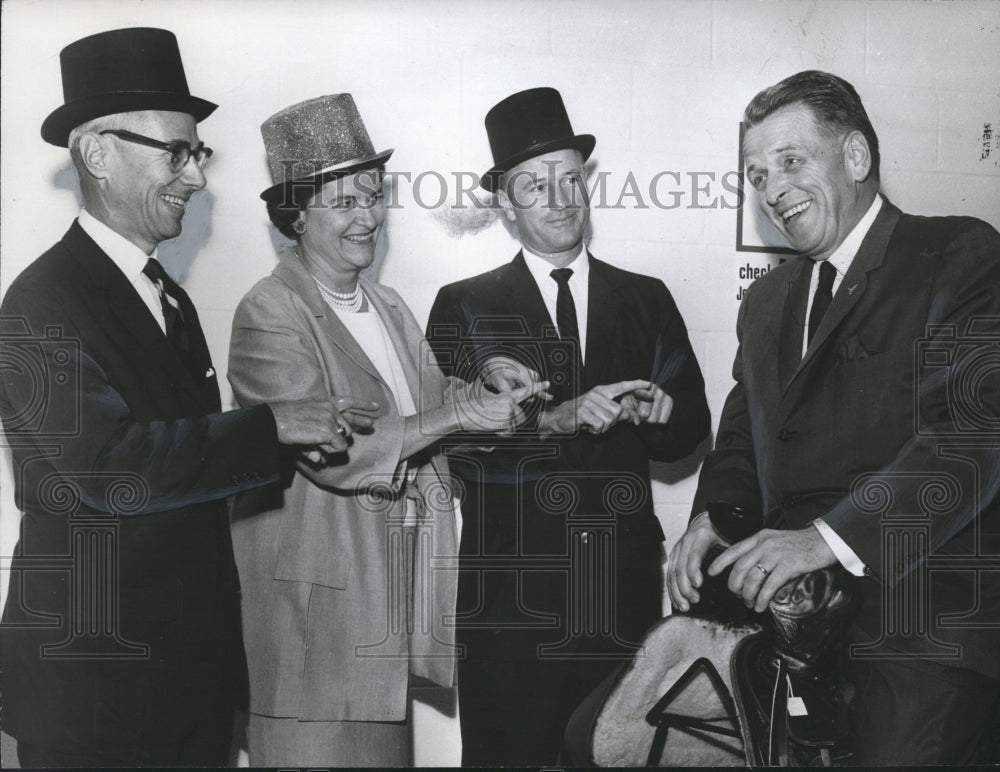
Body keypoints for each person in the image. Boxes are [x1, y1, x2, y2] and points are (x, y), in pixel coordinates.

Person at [0, 29, 368, 768]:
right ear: (98, 154)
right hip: (96, 692)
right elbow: (108, 469)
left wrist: (291, 441)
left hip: (181, 686)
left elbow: (186, 465)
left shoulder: (167, 297)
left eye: (197, 154)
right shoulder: (40, 301)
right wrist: (272, 427)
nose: (197, 178)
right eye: (177, 152)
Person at [668, 70, 1000, 765]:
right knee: (604, 735)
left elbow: (972, 437)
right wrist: (714, 513)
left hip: (916, 632)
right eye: (757, 174)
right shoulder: (765, 304)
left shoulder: (958, 254)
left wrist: (826, 539)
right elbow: (741, 435)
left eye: (789, 162)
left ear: (855, 157)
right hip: (786, 627)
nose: (772, 189)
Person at [227, 93, 545, 767]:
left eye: (373, 196)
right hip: (311, 643)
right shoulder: (269, 313)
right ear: (296, 214)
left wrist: (485, 387)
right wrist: (451, 413)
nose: (367, 216)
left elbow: (431, 411)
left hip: (385, 627)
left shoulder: (388, 304)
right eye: (344, 202)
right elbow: (332, 452)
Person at [425, 87, 711, 766]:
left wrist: (661, 415)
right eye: (534, 184)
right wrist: (555, 420)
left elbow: (690, 431)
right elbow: (455, 455)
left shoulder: (645, 298)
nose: (559, 198)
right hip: (511, 604)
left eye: (570, 178)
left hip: (622, 592)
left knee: (620, 755)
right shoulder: (463, 306)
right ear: (504, 203)